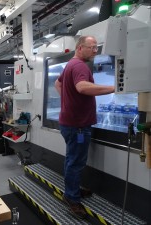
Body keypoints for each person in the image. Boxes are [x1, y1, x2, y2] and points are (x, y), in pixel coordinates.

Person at [54, 36, 115, 219]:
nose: (96, 51)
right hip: (78, 126)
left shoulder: (70, 65)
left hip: (70, 123)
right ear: (80, 48)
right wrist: (115, 88)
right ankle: (72, 199)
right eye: (93, 47)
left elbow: (58, 84)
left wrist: (68, 100)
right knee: (76, 163)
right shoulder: (80, 66)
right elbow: (81, 87)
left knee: (71, 160)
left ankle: (71, 190)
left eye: (97, 47)